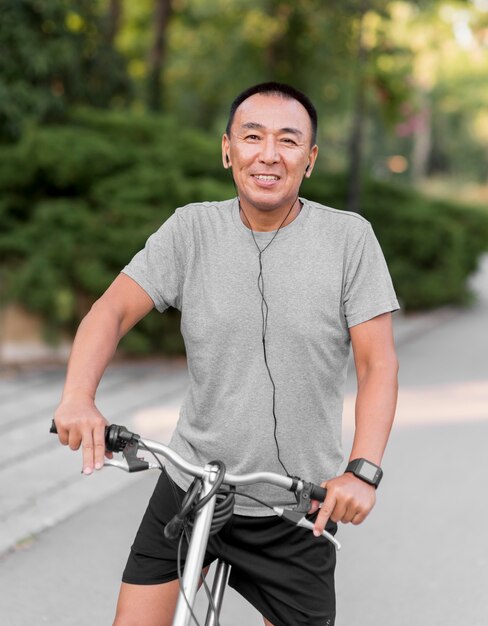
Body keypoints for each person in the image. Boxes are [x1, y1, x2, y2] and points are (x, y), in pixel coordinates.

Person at [54, 82, 399, 626]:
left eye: (288, 141)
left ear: (309, 160)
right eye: (252, 136)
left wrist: (361, 471)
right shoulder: (192, 229)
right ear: (227, 150)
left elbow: (376, 365)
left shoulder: (348, 240)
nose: (268, 154)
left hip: (297, 505)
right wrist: (78, 396)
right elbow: (110, 311)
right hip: (194, 487)